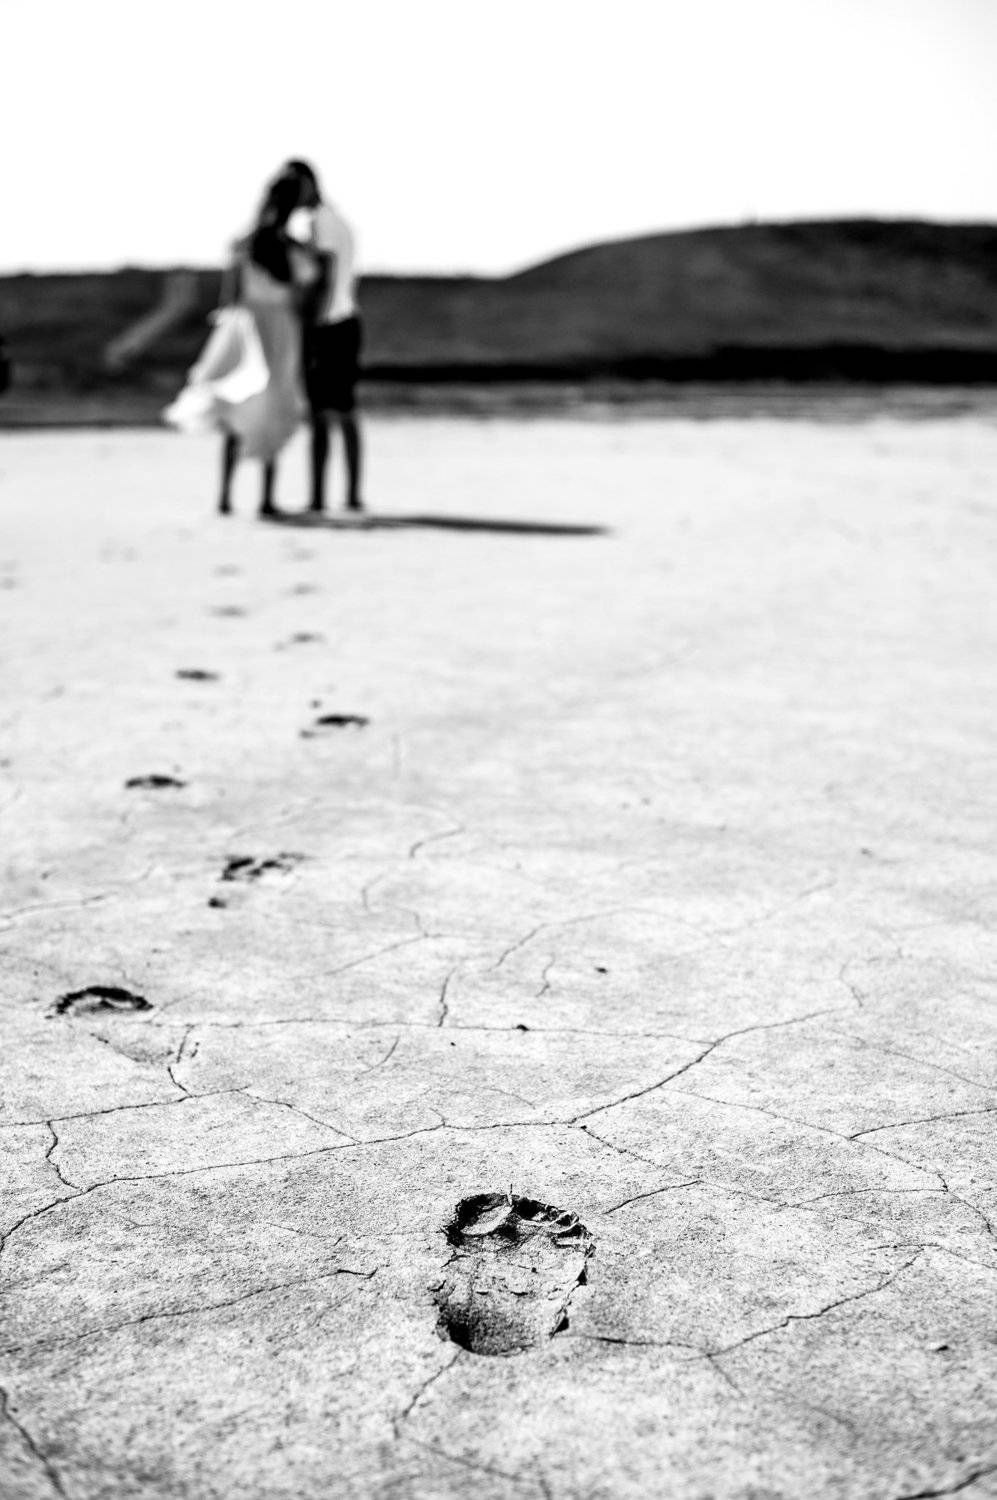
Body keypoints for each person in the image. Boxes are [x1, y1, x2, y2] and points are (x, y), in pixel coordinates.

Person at [165, 169, 316, 517]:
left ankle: (225, 496)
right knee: (274, 405)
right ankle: (266, 498)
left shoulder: (244, 244)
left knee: (237, 402)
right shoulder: (293, 249)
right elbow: (303, 293)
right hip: (280, 328)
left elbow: (229, 296)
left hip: (246, 326)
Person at [285, 160, 364, 514]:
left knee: (325, 412)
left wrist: (312, 324)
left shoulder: (322, 222)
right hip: (344, 318)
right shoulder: (333, 220)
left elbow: (327, 276)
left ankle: (321, 497)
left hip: (330, 323)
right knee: (343, 409)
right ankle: (348, 494)